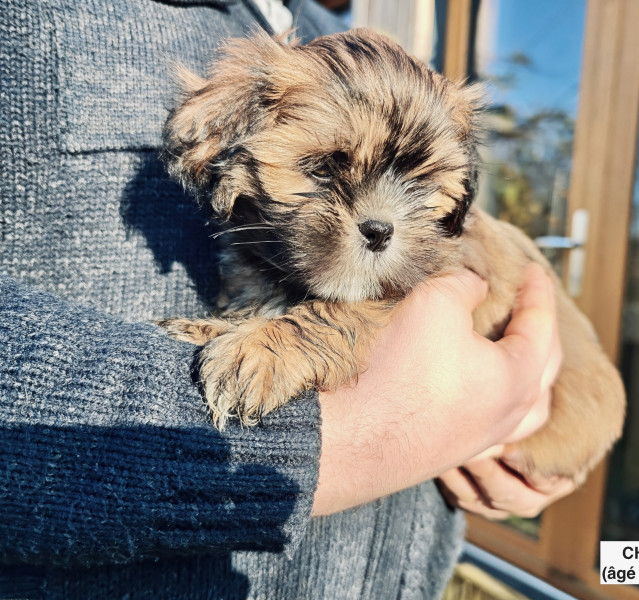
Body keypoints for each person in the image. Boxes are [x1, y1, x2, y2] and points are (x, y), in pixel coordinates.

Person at [0, 1, 570, 598]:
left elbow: (468, 313)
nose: (381, 220)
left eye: (422, 186)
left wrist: (523, 397)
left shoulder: (331, 35)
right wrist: (350, 440)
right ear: (228, 149)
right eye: (325, 167)